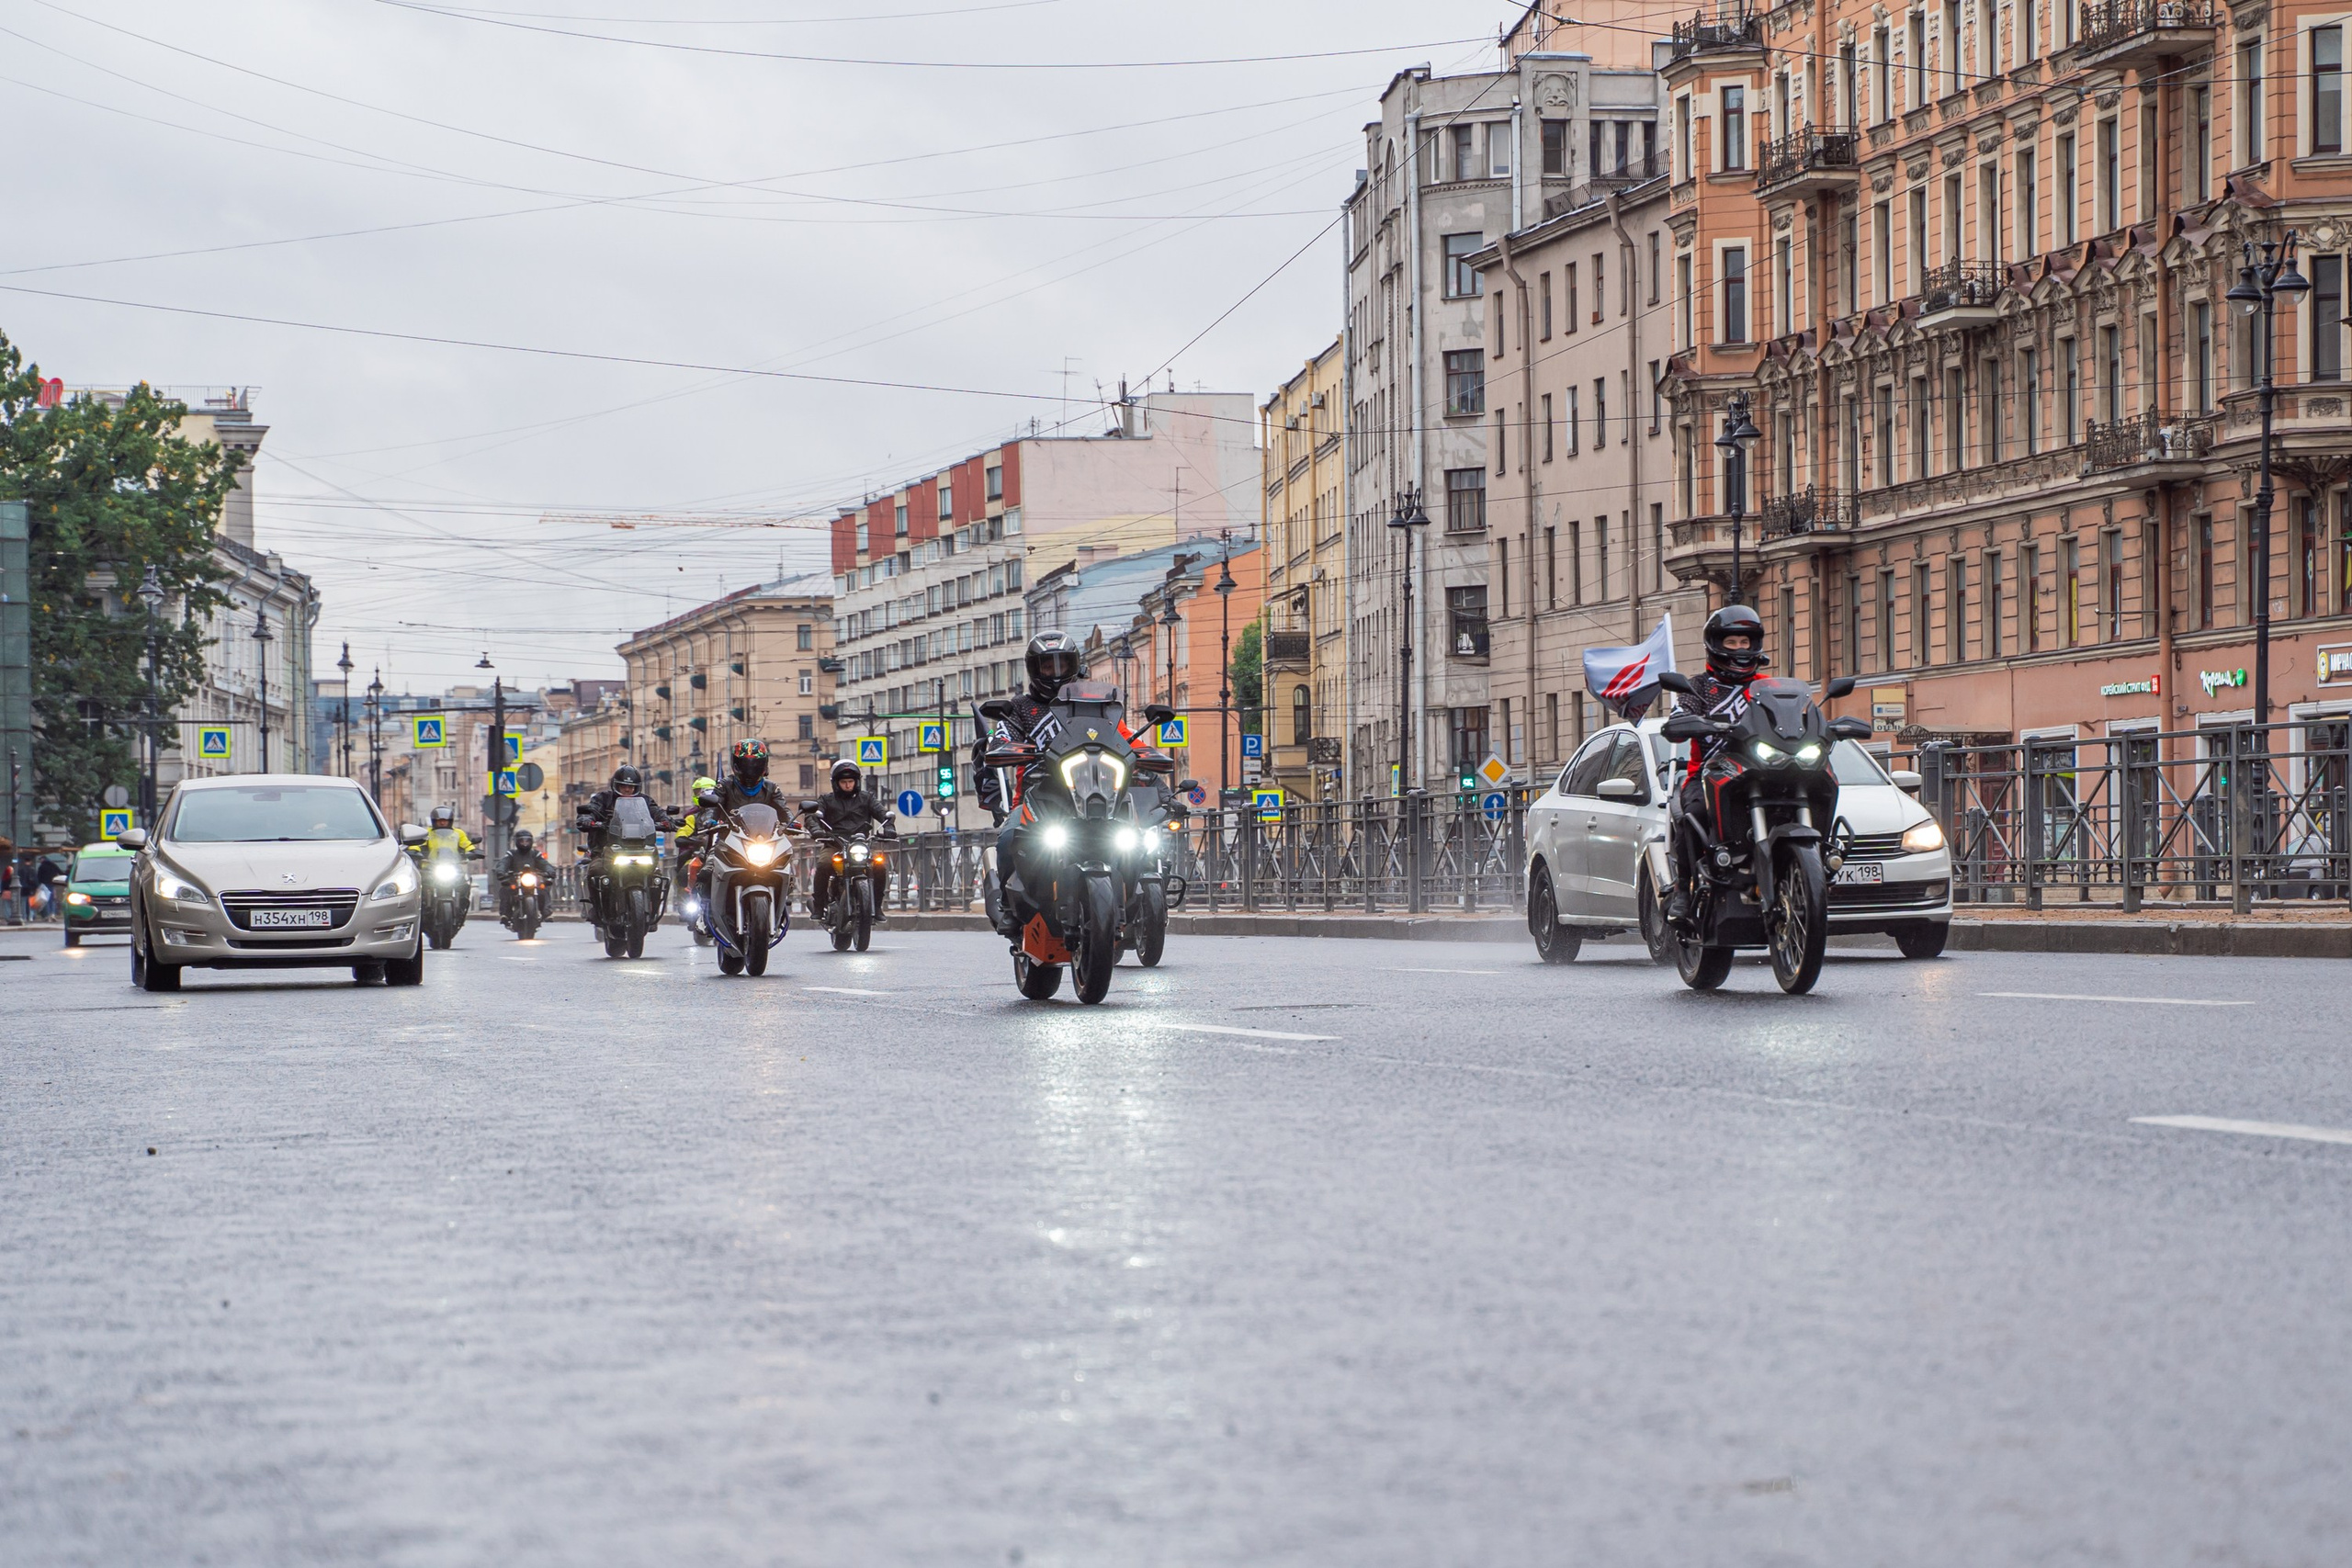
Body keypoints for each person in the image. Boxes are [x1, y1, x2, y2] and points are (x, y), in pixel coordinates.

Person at [1666, 604, 1769, 931]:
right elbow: (1680, 714)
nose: (1740, 649)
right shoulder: (1698, 687)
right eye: (1731, 642)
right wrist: (1682, 720)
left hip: (1766, 770)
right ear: (1715, 645)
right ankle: (1684, 890)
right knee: (1692, 813)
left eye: (1745, 642)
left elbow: (1801, 714)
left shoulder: (1769, 687)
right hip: (1711, 772)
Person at [803, 759, 894, 919]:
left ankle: (877, 906)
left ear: (856, 782)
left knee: (879, 867)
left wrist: (889, 827)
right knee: (824, 864)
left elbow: (882, 813)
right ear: (836, 783)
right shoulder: (826, 799)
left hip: (861, 844)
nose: (847, 785)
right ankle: (819, 906)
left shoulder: (867, 798)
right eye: (844, 781)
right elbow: (812, 816)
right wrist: (816, 830)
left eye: (850, 781)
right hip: (833, 843)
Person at [495, 829, 556, 920]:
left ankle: (546, 913)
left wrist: (550, 871)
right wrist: (501, 871)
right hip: (515, 880)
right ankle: (505, 914)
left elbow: (544, 864)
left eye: (527, 841)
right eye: (522, 841)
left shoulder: (535, 854)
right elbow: (503, 863)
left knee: (543, 889)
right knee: (505, 890)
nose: (524, 843)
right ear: (517, 842)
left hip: (532, 881)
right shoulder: (511, 854)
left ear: (531, 842)